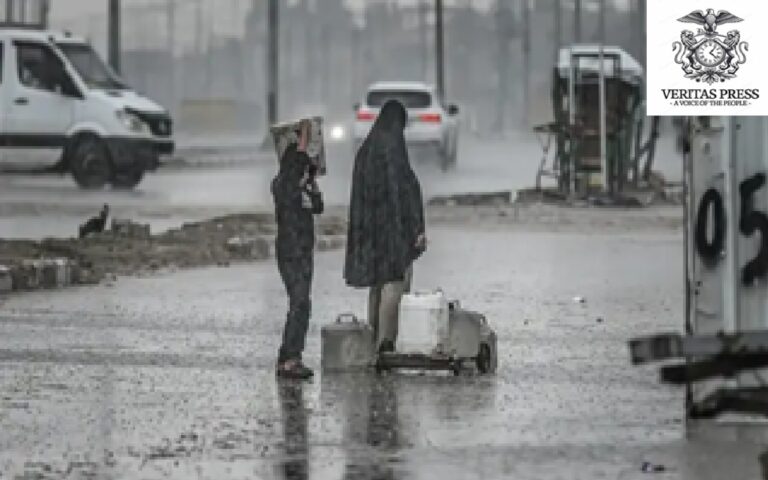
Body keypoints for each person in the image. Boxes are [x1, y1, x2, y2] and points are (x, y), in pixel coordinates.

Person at [344, 99, 427, 354]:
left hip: (369, 231)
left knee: (377, 284)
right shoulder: (393, 151)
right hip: (392, 230)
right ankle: (385, 342)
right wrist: (410, 230)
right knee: (394, 283)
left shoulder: (365, 150)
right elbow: (400, 193)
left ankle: (373, 336)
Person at [273, 120, 324, 379]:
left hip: (303, 249)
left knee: (302, 303)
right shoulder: (283, 185)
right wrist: (303, 137)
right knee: (300, 302)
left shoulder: (300, 186)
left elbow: (318, 207)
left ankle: (291, 356)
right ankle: (289, 358)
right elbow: (295, 169)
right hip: (290, 250)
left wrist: (312, 184)